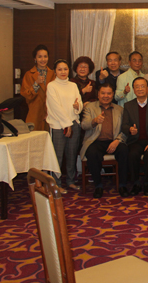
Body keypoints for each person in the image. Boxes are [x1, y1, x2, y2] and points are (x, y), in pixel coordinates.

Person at [81, 83, 129, 199]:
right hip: (95, 141)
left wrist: (117, 141)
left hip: (114, 141)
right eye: (103, 93)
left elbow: (125, 129)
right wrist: (95, 121)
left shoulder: (120, 109)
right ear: (98, 94)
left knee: (124, 151)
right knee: (92, 153)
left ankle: (122, 185)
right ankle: (98, 185)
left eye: (109, 93)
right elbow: (84, 125)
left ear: (113, 95)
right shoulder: (90, 107)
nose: (106, 96)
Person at [45, 59, 83, 193]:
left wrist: (78, 107)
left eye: (65, 69)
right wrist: (67, 125)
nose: (63, 72)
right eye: (59, 69)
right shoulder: (52, 86)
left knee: (72, 154)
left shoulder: (73, 85)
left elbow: (79, 101)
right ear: (55, 71)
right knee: (57, 156)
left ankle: (71, 181)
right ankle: (55, 184)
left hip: (74, 123)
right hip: (58, 125)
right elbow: (56, 107)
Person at [121, 77, 148, 196]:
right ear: (133, 89)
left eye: (143, 86)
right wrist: (130, 129)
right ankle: (136, 183)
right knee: (132, 154)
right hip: (135, 141)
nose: (140, 89)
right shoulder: (128, 105)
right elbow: (124, 125)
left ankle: (147, 183)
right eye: (137, 87)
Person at [21, 44, 55, 131]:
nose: (43, 59)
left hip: (50, 113)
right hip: (35, 112)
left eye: (45, 56)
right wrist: (36, 83)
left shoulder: (53, 74)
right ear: (35, 58)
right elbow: (26, 94)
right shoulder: (29, 74)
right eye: (40, 57)